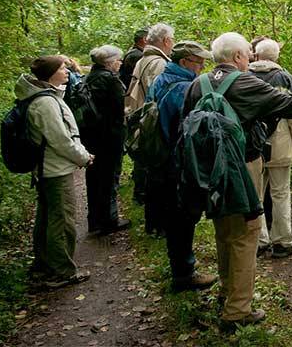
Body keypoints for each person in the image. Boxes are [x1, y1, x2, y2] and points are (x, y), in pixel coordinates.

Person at [180, 32, 292, 330]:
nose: (250, 58)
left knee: (224, 229)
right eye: (248, 54)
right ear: (237, 58)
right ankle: (237, 311)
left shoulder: (198, 83)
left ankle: (226, 292)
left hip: (209, 171)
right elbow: (287, 103)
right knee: (247, 231)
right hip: (242, 166)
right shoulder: (244, 82)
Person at [145, 41, 218, 291]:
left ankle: (180, 268)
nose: (203, 67)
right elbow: (190, 128)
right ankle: (184, 274)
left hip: (160, 158)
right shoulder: (184, 87)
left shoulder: (161, 79)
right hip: (175, 161)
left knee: (174, 216)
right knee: (182, 217)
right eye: (199, 62)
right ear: (185, 62)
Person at [18, 55, 94, 288]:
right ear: (51, 73)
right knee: (62, 220)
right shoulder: (45, 103)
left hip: (46, 168)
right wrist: (83, 156)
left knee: (48, 217)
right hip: (54, 169)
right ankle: (62, 271)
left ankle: (44, 264)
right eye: (62, 68)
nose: (67, 72)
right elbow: (60, 139)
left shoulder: (43, 97)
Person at [247, 38, 292, 258]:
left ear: (256, 54)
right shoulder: (284, 78)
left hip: (252, 145)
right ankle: (282, 241)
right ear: (276, 56)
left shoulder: (246, 75)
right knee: (280, 193)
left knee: (255, 194)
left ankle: (259, 240)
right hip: (281, 144)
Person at [82, 45, 132, 235]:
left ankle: (94, 220)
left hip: (92, 136)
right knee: (110, 178)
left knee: (94, 177)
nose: (120, 63)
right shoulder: (110, 80)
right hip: (110, 136)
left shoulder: (90, 77)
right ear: (109, 62)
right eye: (118, 60)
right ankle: (110, 220)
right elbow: (119, 108)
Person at [126, 23, 173, 210]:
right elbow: (159, 96)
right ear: (166, 41)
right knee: (154, 169)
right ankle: (149, 206)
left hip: (142, 119)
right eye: (172, 40)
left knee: (144, 165)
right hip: (151, 123)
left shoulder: (143, 59)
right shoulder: (159, 63)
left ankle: (142, 198)